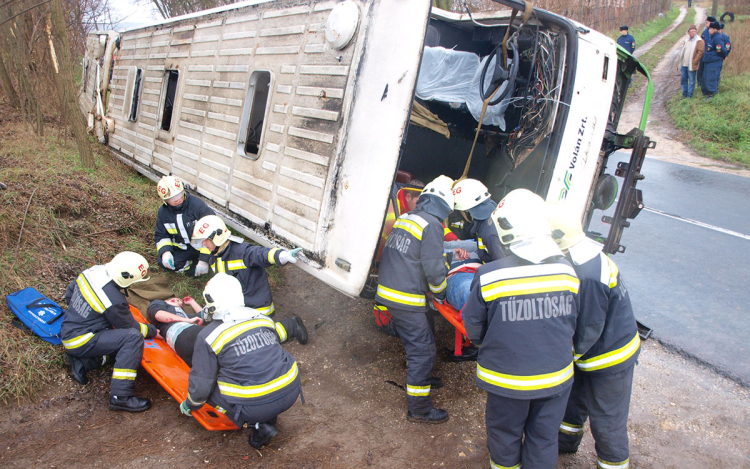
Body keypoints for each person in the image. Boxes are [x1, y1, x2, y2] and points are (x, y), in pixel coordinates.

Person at [462, 189, 580, 469]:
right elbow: (572, 322)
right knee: (544, 439)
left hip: (506, 379)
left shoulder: (490, 275)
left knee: (505, 435)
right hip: (555, 377)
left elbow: (474, 328)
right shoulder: (567, 271)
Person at [550, 208, 640, 469]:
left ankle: (612, 463)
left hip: (610, 358)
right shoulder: (585, 256)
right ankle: (565, 441)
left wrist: (566, 359)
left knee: (607, 421)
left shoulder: (588, 274)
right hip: (592, 353)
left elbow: (589, 328)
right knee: (573, 404)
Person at [181, 274, 302, 448]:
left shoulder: (208, 336)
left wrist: (191, 404)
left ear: (210, 300)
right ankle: (269, 419)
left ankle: (257, 424)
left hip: (257, 407)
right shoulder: (263, 318)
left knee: (209, 382)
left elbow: (201, 384)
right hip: (291, 390)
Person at [374, 175, 454, 424]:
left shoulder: (408, 217)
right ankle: (419, 409)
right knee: (422, 351)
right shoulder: (432, 225)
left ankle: (423, 379)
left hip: (391, 290)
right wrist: (441, 293)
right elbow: (433, 267)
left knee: (423, 342)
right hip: (406, 296)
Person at [61, 251, 156, 412]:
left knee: (122, 347)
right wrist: (152, 330)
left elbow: (69, 295)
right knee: (132, 340)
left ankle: (84, 362)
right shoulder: (113, 299)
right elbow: (130, 327)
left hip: (69, 332)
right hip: (82, 340)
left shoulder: (92, 272)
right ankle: (121, 396)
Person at [147, 295, 307, 367]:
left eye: (180, 301)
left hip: (188, 337)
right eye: (173, 300)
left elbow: (205, 315)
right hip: (184, 342)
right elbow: (160, 315)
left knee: (239, 342)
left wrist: (192, 304)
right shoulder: (158, 305)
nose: (178, 301)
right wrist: (187, 320)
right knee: (230, 352)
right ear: (165, 301)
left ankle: (291, 326)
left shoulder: (183, 315)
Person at [191, 215, 301, 318]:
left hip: (259, 310)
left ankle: (292, 326)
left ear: (216, 236)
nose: (203, 244)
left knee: (261, 337)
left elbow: (261, 254)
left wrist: (281, 255)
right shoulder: (214, 257)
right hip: (237, 310)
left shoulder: (242, 251)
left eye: (205, 240)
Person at [154, 175, 214, 276]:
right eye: (172, 198)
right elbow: (161, 235)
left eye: (179, 194)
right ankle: (193, 268)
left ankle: (204, 265)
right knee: (163, 262)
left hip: (204, 246)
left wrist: (204, 259)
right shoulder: (163, 213)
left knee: (219, 259)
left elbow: (213, 230)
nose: (177, 200)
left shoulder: (197, 205)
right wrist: (166, 253)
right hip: (184, 248)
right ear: (165, 200)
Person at [701, 21, 727, 100]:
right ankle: (707, 92)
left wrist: (721, 57)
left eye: (710, 29)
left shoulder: (717, 38)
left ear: (715, 29)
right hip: (709, 61)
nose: (709, 30)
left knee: (711, 77)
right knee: (706, 77)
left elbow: (722, 50)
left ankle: (712, 93)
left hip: (714, 61)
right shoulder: (713, 37)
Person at [678, 25, 704, 99]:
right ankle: (684, 93)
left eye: (695, 31)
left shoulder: (699, 41)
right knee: (683, 80)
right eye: (692, 31)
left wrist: (695, 61)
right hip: (684, 64)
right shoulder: (686, 40)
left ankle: (690, 95)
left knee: (692, 81)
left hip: (692, 64)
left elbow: (700, 52)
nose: (693, 33)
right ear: (688, 32)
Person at [697, 15, 717, 89]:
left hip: (710, 56)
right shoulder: (705, 32)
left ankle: (707, 86)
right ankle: (700, 84)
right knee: (700, 70)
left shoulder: (715, 33)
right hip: (703, 54)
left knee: (707, 72)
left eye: (707, 22)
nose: (705, 24)